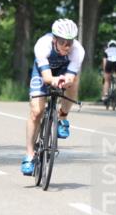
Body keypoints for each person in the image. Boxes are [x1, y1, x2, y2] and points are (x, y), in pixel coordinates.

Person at [21, 18, 84, 176]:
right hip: (44, 71)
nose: (67, 46)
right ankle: (29, 155)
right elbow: (47, 78)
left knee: (75, 82)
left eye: (70, 42)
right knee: (36, 111)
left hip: (63, 71)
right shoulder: (43, 45)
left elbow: (70, 76)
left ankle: (63, 118)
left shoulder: (78, 51)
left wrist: (66, 81)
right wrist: (53, 80)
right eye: (63, 42)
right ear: (55, 39)